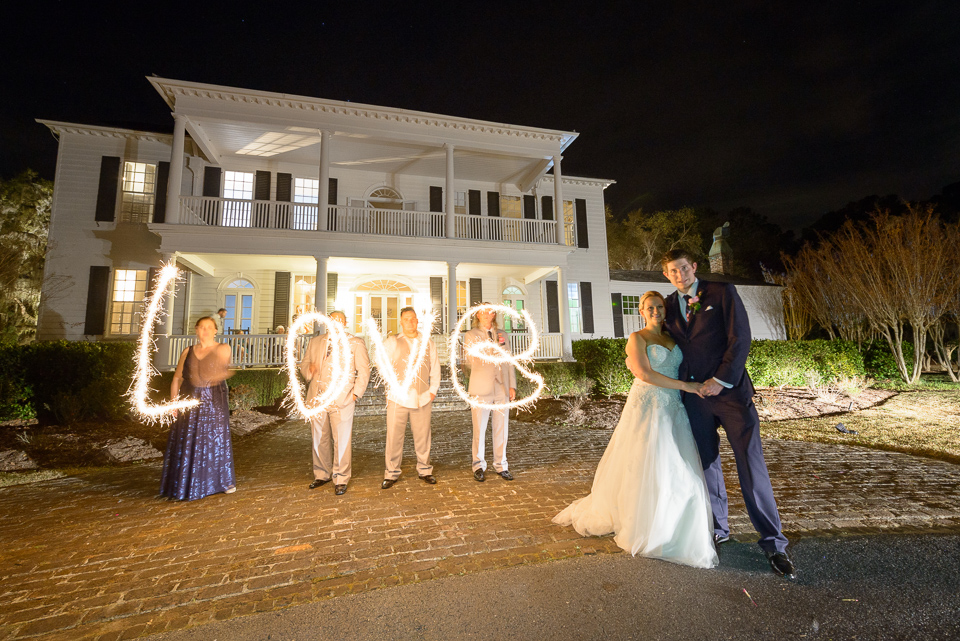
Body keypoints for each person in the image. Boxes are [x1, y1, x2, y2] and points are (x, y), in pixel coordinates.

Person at [553, 291, 718, 568]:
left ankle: (673, 523)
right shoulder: (637, 338)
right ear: (641, 311)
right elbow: (644, 373)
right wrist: (686, 386)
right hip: (647, 406)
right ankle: (644, 523)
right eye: (650, 307)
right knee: (644, 464)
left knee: (676, 465)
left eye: (659, 307)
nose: (655, 310)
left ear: (665, 311)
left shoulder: (672, 339)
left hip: (672, 409)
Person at [661, 248, 795, 578]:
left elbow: (741, 338)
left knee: (751, 465)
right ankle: (718, 530)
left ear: (693, 267)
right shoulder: (666, 306)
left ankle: (773, 543)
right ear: (667, 275)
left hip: (731, 395)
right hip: (695, 399)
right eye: (672, 271)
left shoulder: (722, 292)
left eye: (683, 268)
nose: (680, 275)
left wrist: (721, 380)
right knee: (706, 466)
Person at [160, 316, 235, 501]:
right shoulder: (187, 351)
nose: (206, 330)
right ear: (196, 330)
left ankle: (221, 482)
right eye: (202, 327)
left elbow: (224, 368)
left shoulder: (223, 348)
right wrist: (174, 401)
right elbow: (177, 378)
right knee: (188, 439)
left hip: (213, 402)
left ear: (216, 330)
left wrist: (218, 372)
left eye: (210, 327)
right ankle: (186, 482)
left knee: (214, 441)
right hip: (189, 400)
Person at [298, 311, 371, 496]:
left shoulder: (355, 343)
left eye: (340, 320)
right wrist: (309, 370)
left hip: (342, 399)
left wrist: (355, 394)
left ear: (345, 323)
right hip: (317, 397)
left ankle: (341, 477)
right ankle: (322, 474)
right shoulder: (316, 342)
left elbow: (364, 370)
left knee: (342, 439)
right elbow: (304, 363)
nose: (336, 323)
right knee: (319, 438)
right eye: (333, 320)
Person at [380, 307, 440, 488]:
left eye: (413, 319)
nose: (411, 322)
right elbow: (381, 365)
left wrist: (433, 390)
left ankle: (425, 469)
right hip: (398, 398)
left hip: (422, 396)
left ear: (417, 321)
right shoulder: (392, 341)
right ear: (400, 321)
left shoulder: (427, 342)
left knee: (423, 436)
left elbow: (435, 367)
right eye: (407, 319)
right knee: (394, 437)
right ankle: (391, 473)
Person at [463, 304, 516, 482]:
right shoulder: (471, 335)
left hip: (501, 387)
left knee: (502, 428)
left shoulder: (503, 335)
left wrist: (512, 386)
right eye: (483, 312)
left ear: (494, 314)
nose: (487, 315)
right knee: (480, 427)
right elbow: (470, 360)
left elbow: (509, 361)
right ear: (478, 315)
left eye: (490, 312)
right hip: (481, 387)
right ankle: (478, 464)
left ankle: (501, 465)